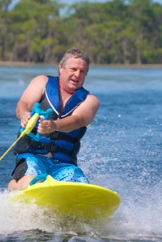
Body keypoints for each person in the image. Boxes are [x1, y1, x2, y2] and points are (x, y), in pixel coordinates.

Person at [8, 48, 99, 190]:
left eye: (82, 71)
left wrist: (54, 125)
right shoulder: (42, 83)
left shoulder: (90, 101)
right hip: (33, 157)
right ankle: (15, 184)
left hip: (64, 165)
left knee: (80, 187)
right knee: (34, 181)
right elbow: (23, 103)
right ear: (61, 68)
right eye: (73, 69)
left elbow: (77, 120)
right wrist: (24, 113)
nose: (77, 74)